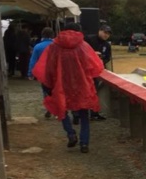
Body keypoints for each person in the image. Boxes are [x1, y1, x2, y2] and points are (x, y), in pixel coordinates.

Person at [32, 22, 104, 154]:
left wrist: (48, 86)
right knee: (84, 115)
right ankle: (84, 143)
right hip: (82, 85)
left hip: (61, 85)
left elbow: (48, 67)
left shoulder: (54, 47)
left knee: (62, 110)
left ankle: (71, 134)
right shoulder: (84, 46)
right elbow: (95, 66)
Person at [83, 24, 112, 121]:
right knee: (83, 92)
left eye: (108, 34)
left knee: (95, 92)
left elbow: (108, 57)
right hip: (84, 71)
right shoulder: (88, 39)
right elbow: (81, 52)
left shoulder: (107, 45)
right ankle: (78, 114)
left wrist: (101, 60)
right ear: (100, 31)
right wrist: (93, 54)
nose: (106, 35)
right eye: (105, 32)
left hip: (97, 72)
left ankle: (94, 113)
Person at [28, 27, 55, 118]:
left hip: (43, 73)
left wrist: (30, 73)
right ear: (52, 35)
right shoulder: (56, 45)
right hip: (56, 71)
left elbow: (33, 61)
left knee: (46, 91)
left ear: (42, 35)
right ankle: (60, 108)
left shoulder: (38, 46)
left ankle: (49, 108)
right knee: (57, 89)